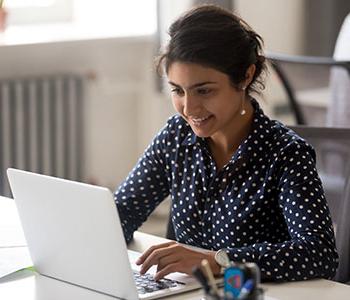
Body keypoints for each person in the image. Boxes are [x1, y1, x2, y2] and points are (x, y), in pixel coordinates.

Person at [114, 5, 338, 282]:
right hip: (189, 292)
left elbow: (319, 254)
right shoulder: (176, 137)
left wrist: (219, 261)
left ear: (245, 76)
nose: (189, 107)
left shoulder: (286, 154)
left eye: (204, 90)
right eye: (178, 90)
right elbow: (121, 214)